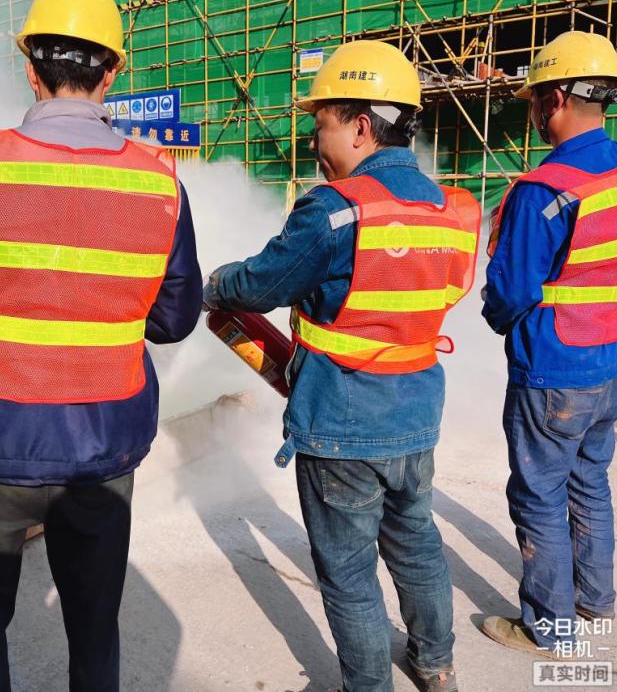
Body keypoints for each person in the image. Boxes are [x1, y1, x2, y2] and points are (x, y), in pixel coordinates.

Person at [0, 0, 202, 692]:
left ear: (30, 68)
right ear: (113, 72)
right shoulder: (160, 183)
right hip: (103, 446)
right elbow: (174, 317)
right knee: (95, 633)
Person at [203, 40, 480, 692]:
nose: (313, 140)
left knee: (350, 575)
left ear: (359, 125)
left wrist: (216, 283)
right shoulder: (449, 209)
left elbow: (261, 284)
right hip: (416, 414)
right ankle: (436, 665)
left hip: (342, 424)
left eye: (321, 123)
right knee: (417, 544)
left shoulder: (336, 208)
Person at [481, 30, 617, 655]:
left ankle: (550, 627)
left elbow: (510, 291)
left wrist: (495, 315)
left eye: (536, 99)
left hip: (553, 368)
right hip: (611, 359)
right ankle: (594, 602)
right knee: (590, 479)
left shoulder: (545, 188)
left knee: (539, 494)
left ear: (556, 98)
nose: (533, 112)